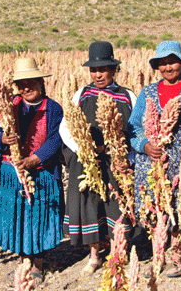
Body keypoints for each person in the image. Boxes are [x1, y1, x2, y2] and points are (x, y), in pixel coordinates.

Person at [60, 41, 137, 275]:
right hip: (86, 162)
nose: (98, 74)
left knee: (115, 206)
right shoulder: (82, 94)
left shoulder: (126, 96)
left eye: (103, 69)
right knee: (90, 205)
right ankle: (94, 256)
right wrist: (82, 147)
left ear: (113, 70)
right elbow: (67, 126)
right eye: (94, 70)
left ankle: (116, 252)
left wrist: (117, 151)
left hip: (114, 161)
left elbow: (133, 130)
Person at [0, 57, 64, 285]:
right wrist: (1, 138)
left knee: (38, 216)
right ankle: (24, 261)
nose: (25, 88)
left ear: (41, 82)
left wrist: (33, 160)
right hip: (10, 173)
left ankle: (38, 263)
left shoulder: (53, 108)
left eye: (30, 82)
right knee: (18, 217)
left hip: (40, 173)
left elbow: (55, 139)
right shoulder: (7, 104)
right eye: (21, 84)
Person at [128, 40, 181, 278]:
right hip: (152, 160)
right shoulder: (148, 92)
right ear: (158, 66)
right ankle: (158, 252)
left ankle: (176, 255)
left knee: (179, 205)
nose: (169, 67)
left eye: (173, 62)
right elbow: (134, 127)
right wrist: (145, 145)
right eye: (164, 63)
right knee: (156, 205)